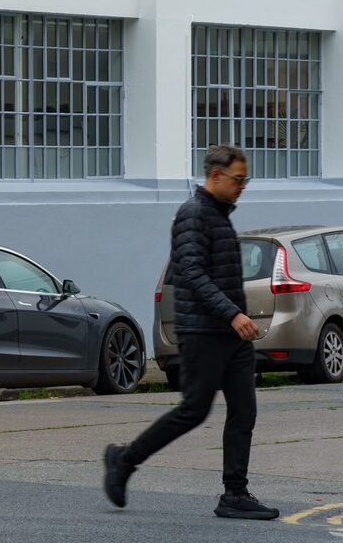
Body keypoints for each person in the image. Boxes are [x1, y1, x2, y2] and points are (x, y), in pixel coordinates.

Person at [102, 145, 278, 520]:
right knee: (193, 411)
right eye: (237, 179)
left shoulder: (218, 215)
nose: (242, 187)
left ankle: (234, 494)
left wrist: (236, 319)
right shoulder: (193, 215)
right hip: (203, 332)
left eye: (245, 180)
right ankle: (124, 460)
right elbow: (194, 275)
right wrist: (233, 314)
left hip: (231, 336)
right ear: (215, 176)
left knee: (244, 410)